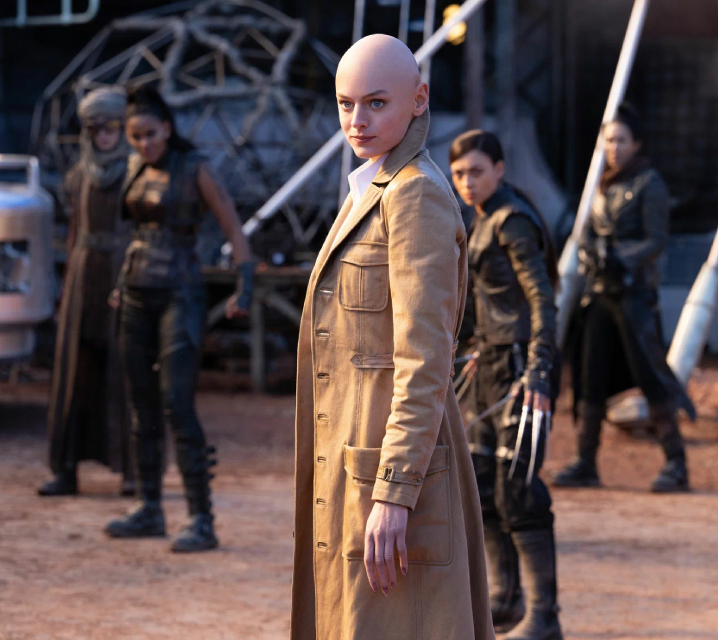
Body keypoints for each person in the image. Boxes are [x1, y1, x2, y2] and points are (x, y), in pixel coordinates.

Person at [290, 35, 494, 640]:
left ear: (418, 99)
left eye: (376, 103)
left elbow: (424, 360)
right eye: (346, 103)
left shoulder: (415, 195)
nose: (358, 120)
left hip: (393, 472)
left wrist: (395, 493)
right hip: (356, 464)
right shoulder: (372, 186)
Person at [103, 87, 253, 553]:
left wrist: (245, 285)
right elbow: (132, 231)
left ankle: (201, 518)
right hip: (136, 291)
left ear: (167, 128)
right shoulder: (134, 167)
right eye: (135, 137)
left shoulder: (195, 168)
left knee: (176, 404)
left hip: (180, 292)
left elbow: (232, 224)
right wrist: (120, 284)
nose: (144, 144)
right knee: (141, 403)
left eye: (150, 134)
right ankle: (149, 507)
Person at [450, 130, 563, 640]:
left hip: (521, 365)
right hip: (490, 364)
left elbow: (542, 299)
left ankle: (545, 616)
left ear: (499, 168)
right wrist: (475, 346)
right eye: (459, 174)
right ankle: (504, 598)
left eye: (476, 171)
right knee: (481, 485)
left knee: (519, 488)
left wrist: (538, 369)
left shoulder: (513, 220)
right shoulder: (480, 220)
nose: (467, 182)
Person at [553, 103, 695, 492]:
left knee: (651, 378)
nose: (613, 148)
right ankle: (586, 462)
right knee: (590, 377)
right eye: (609, 140)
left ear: (637, 143)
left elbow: (656, 240)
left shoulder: (650, 183)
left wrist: (619, 257)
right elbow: (586, 231)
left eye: (621, 140)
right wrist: (592, 252)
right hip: (598, 295)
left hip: (634, 298)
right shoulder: (600, 184)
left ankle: (676, 463)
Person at [40, 87, 135, 497]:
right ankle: (65, 470)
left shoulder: (137, 172)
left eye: (112, 127)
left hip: (123, 273)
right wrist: (66, 289)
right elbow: (76, 230)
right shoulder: (78, 175)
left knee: (126, 370)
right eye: (97, 129)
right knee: (73, 371)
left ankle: (134, 473)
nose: (105, 136)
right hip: (83, 277)